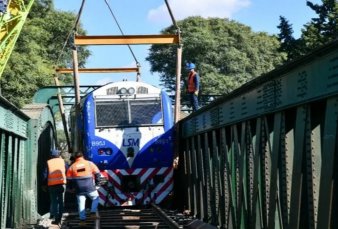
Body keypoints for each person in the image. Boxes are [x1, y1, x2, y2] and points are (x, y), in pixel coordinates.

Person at [66, 151, 101, 226]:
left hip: (79, 188)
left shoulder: (72, 166)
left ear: (75, 158)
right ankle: (93, 212)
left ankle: (82, 221)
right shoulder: (89, 163)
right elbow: (97, 173)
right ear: (83, 156)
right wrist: (97, 185)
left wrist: (71, 188)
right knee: (95, 197)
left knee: (81, 204)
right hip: (89, 187)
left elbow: (68, 179)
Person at [44, 149, 67, 225]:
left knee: (54, 202)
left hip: (52, 185)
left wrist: (44, 184)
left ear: (51, 155)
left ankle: (56, 218)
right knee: (61, 201)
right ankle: (60, 217)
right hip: (61, 184)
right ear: (58, 155)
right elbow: (67, 170)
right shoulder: (62, 161)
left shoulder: (48, 162)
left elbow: (45, 175)